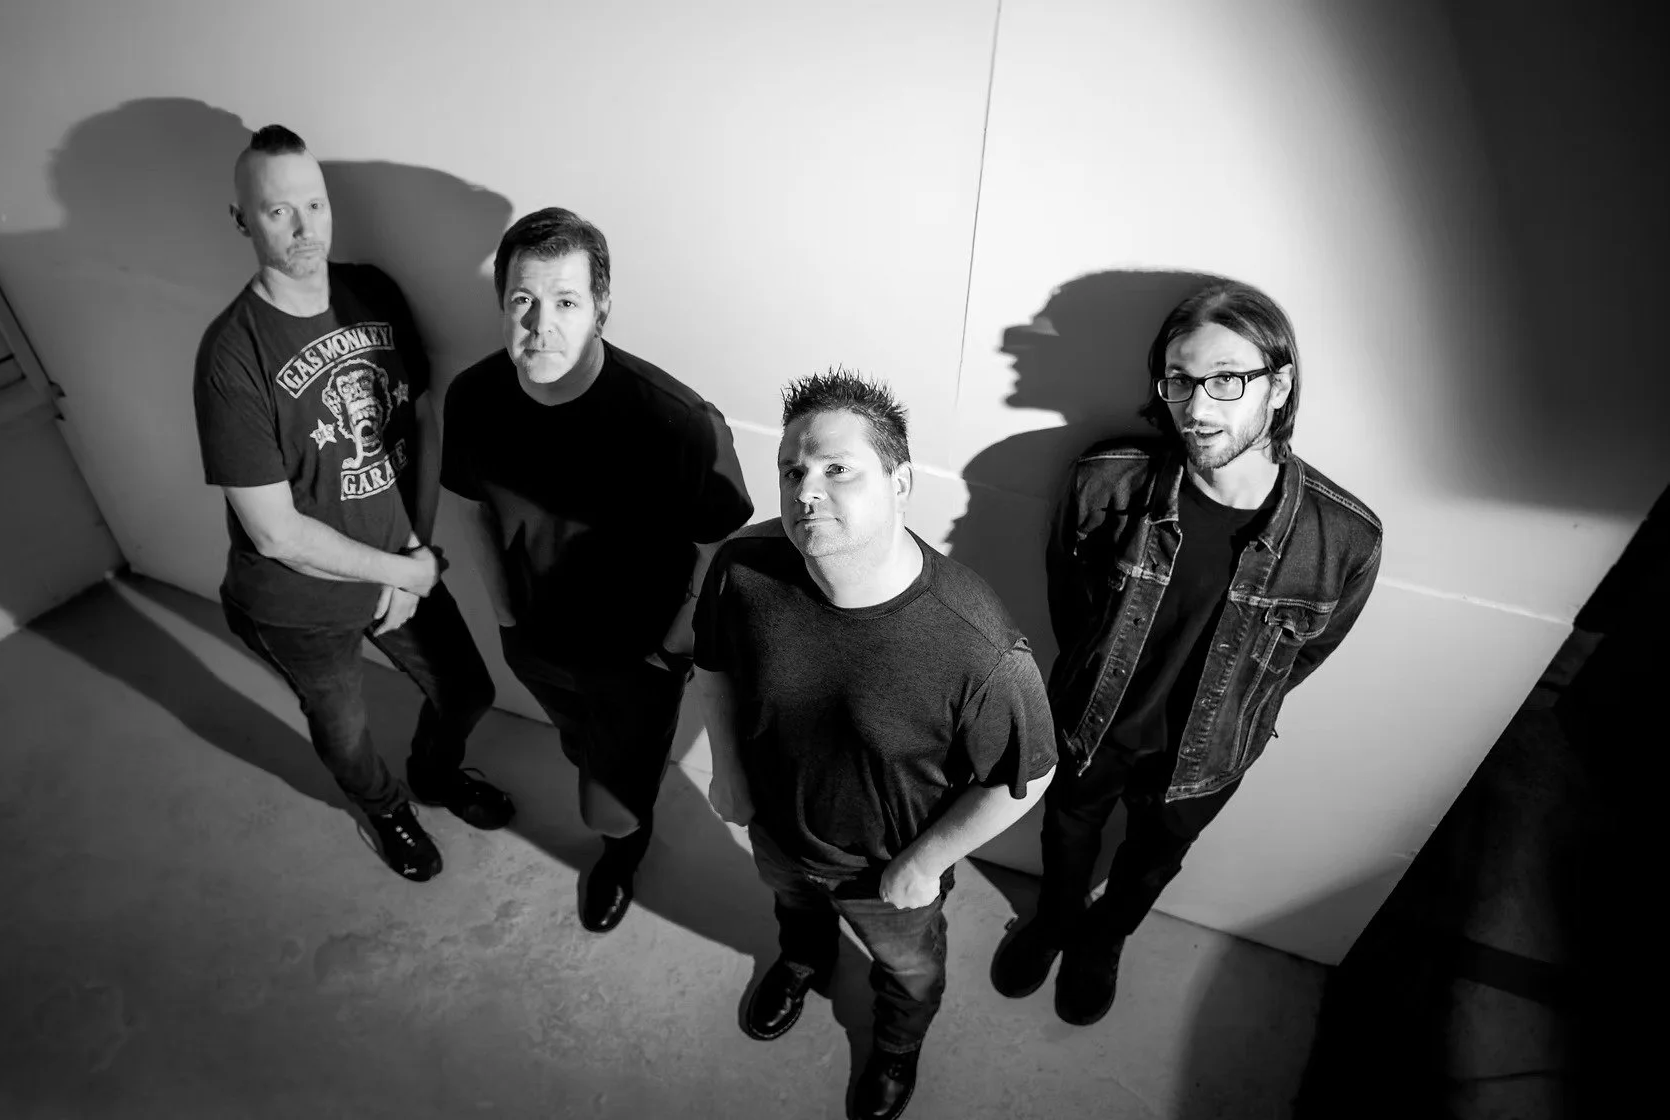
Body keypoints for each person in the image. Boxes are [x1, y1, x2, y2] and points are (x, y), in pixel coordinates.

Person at [989, 279, 1383, 1025]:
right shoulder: (1107, 482)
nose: (1197, 409)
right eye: (1179, 380)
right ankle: (1056, 919)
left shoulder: (1344, 540)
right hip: (1091, 724)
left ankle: (1104, 940)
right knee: (1066, 830)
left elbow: (1304, 658)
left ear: (1279, 386)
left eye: (1226, 380)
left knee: (1152, 862)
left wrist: (1232, 708)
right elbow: (1070, 601)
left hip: (1208, 754)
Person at [695, 371, 1057, 1120]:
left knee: (909, 973)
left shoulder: (978, 645)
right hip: (777, 830)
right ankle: (804, 960)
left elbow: (1029, 773)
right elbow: (714, 663)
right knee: (794, 914)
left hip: (886, 870)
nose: (805, 491)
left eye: (837, 469)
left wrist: (924, 864)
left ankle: (896, 1045)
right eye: (792, 470)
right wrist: (727, 770)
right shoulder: (744, 568)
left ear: (900, 482)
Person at [192, 124, 512, 884]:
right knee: (343, 731)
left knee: (467, 692)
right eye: (278, 211)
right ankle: (385, 807)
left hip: (399, 560)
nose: (304, 228)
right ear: (241, 220)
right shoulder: (231, 356)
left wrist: (416, 553)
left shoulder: (373, 291)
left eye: (315, 204)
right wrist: (401, 575)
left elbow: (422, 419)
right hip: (296, 602)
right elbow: (275, 534)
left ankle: (433, 774)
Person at [441, 207, 751, 932]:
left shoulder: (676, 421)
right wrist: (507, 620)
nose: (539, 325)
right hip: (536, 645)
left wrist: (670, 649)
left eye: (565, 302)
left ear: (601, 307)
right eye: (522, 300)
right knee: (580, 744)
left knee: (609, 802)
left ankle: (622, 850)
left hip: (636, 662)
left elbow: (723, 553)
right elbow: (468, 508)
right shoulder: (474, 397)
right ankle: (611, 798)